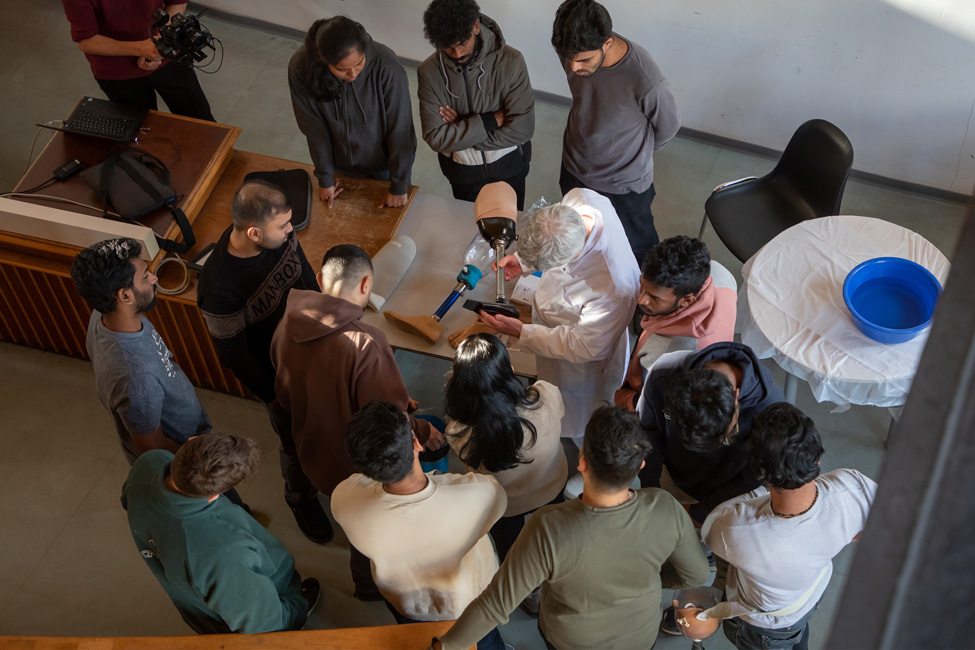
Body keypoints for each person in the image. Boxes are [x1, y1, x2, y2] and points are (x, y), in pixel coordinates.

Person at [433, 406, 711, 650]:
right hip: (639, 635)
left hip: (570, 640)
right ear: (640, 466)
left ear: (582, 462)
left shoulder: (547, 527)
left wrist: (445, 645)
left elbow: (495, 604)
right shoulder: (665, 507)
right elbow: (696, 573)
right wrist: (649, 579)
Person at [270, 243, 442, 600]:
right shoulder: (367, 343)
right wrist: (424, 430)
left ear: (320, 279)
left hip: (309, 450)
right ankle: (367, 586)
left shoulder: (286, 324)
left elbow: (291, 386)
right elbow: (390, 424)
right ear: (366, 285)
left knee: (347, 513)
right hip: (354, 466)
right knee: (367, 529)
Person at [197, 180, 332, 545]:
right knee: (295, 441)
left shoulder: (280, 237)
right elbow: (233, 355)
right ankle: (300, 498)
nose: (291, 230)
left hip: (312, 349)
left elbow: (304, 275)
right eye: (284, 225)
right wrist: (274, 396)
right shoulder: (219, 288)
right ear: (254, 233)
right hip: (279, 376)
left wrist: (326, 324)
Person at [332, 401, 507, 650]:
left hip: (404, 602)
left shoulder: (344, 499)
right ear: (417, 444)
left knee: (417, 636)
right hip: (467, 601)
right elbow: (499, 499)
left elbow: (353, 485)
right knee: (484, 639)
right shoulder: (478, 494)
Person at [703, 403, 877, 650]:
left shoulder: (732, 527)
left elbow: (709, 531)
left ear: (761, 473)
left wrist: (758, 492)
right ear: (817, 459)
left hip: (765, 625)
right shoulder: (852, 486)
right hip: (810, 598)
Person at [477, 182, 640, 444]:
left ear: (573, 255)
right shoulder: (579, 201)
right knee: (549, 385)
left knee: (576, 416)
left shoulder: (613, 286)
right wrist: (523, 261)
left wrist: (522, 332)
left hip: (580, 363)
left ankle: (582, 447)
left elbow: (586, 347)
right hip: (555, 327)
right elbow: (552, 236)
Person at [122, 433, 320, 634]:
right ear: (213, 496)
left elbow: (127, 499)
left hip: (194, 603)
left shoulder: (148, 462)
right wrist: (297, 608)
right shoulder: (223, 554)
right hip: (271, 604)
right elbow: (265, 623)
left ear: (192, 440)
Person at [551, 0, 680, 263]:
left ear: (607, 43)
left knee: (637, 249)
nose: (573, 67)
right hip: (574, 167)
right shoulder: (572, 51)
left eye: (584, 60)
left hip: (623, 185)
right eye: (568, 58)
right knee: (578, 240)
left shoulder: (645, 78)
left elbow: (668, 127)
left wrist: (632, 152)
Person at [71, 238, 210, 465]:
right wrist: (203, 460)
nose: (154, 278)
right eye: (145, 276)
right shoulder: (135, 377)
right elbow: (154, 450)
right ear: (125, 296)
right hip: (186, 462)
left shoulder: (104, 314)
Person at [444, 333, 568, 561]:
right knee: (557, 531)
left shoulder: (457, 432)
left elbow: (469, 462)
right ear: (510, 370)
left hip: (505, 505)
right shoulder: (547, 394)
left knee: (508, 549)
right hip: (551, 485)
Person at [636, 341, 786, 524]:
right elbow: (648, 434)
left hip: (727, 493)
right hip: (673, 476)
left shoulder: (772, 411)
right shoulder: (662, 376)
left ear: (735, 396)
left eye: (729, 435)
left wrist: (701, 512)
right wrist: (650, 491)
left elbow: (753, 475)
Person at [289, 16, 416, 210]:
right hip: (339, 164)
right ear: (323, 59)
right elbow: (314, 130)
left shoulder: (387, 66)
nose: (353, 74)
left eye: (359, 64)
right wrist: (325, 177)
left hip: (384, 165)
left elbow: (401, 129)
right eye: (342, 70)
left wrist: (399, 185)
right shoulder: (301, 68)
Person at [418, 0, 535, 209]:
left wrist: (461, 129)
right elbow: (435, 137)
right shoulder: (429, 73)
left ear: (476, 26)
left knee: (513, 224)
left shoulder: (512, 61)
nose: (457, 54)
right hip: (463, 174)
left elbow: (522, 130)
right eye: (448, 47)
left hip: (510, 168)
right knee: (467, 226)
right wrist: (490, 121)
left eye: (463, 43)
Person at [615, 235, 737, 410]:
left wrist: (621, 399)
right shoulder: (719, 273)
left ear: (686, 300)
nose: (641, 300)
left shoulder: (666, 357)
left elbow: (649, 404)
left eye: (655, 298)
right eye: (642, 285)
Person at [61, 0, 214, 120]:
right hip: (118, 72)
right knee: (142, 133)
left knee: (201, 121)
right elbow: (87, 41)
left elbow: (177, 2)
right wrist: (141, 49)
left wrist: (161, 41)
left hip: (169, 56)